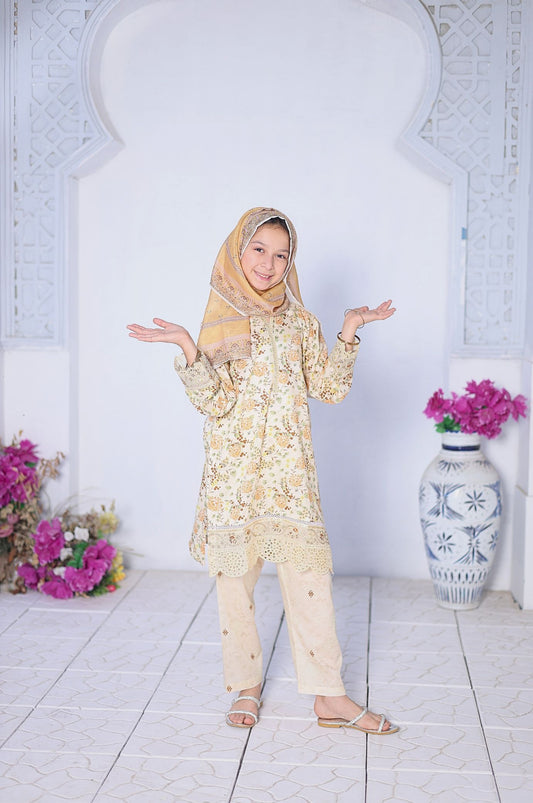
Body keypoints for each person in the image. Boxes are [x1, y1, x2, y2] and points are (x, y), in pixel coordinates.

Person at [127, 207, 398, 735]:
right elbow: (214, 402)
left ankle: (330, 696)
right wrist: (187, 347)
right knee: (236, 586)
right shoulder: (221, 315)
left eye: (281, 255)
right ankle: (245, 687)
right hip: (234, 477)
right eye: (259, 250)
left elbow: (329, 388)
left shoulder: (300, 320)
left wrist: (348, 330)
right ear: (237, 250)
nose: (269, 264)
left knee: (311, 580)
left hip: (290, 475)